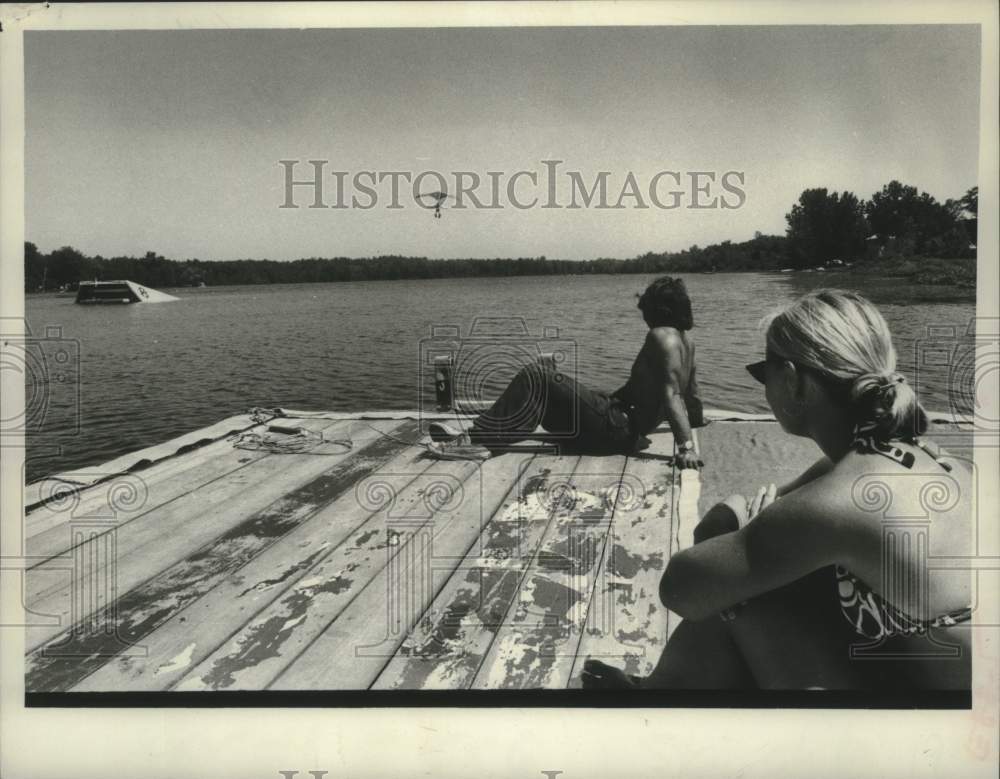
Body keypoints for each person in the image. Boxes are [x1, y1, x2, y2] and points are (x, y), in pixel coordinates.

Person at [582, 289, 972, 690]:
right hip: (947, 691)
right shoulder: (925, 457)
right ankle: (659, 690)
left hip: (926, 725)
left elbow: (680, 589)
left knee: (738, 596)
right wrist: (756, 532)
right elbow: (760, 527)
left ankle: (654, 699)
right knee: (768, 577)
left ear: (792, 381)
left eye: (761, 372)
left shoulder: (842, 497)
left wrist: (746, 526)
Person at [427, 276, 705, 466]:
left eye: (646, 311)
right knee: (547, 382)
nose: (644, 318)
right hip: (618, 423)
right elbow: (691, 395)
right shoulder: (686, 342)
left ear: (658, 309)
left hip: (616, 429)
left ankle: (476, 441)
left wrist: (686, 448)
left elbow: (672, 395)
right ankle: (486, 429)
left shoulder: (660, 336)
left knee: (536, 375)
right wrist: (697, 423)